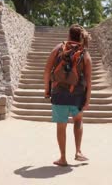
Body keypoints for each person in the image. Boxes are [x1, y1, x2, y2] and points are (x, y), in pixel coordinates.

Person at [44, 24, 92, 167]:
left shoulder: (58, 48)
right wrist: (87, 99)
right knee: (78, 121)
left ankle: (63, 158)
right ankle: (78, 152)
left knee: (61, 126)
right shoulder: (85, 53)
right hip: (77, 95)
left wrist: (46, 90)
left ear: (69, 35)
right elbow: (89, 81)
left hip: (59, 93)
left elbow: (47, 71)